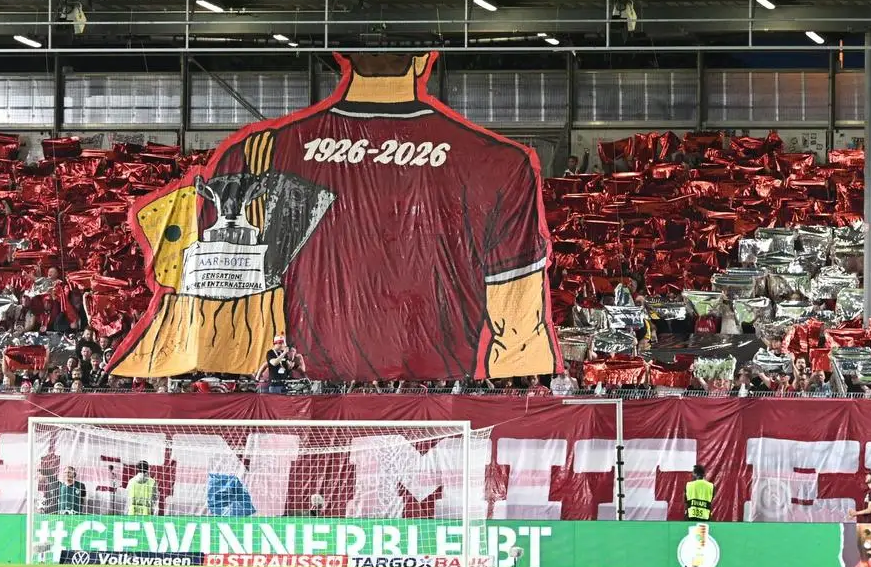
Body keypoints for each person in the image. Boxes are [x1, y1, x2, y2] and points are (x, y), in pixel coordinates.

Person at [115, 51, 559, 383]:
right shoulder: (500, 163)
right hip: (442, 399)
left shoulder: (254, 154)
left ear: (339, 55)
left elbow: (214, 316)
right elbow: (520, 332)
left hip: (309, 398)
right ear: (426, 58)